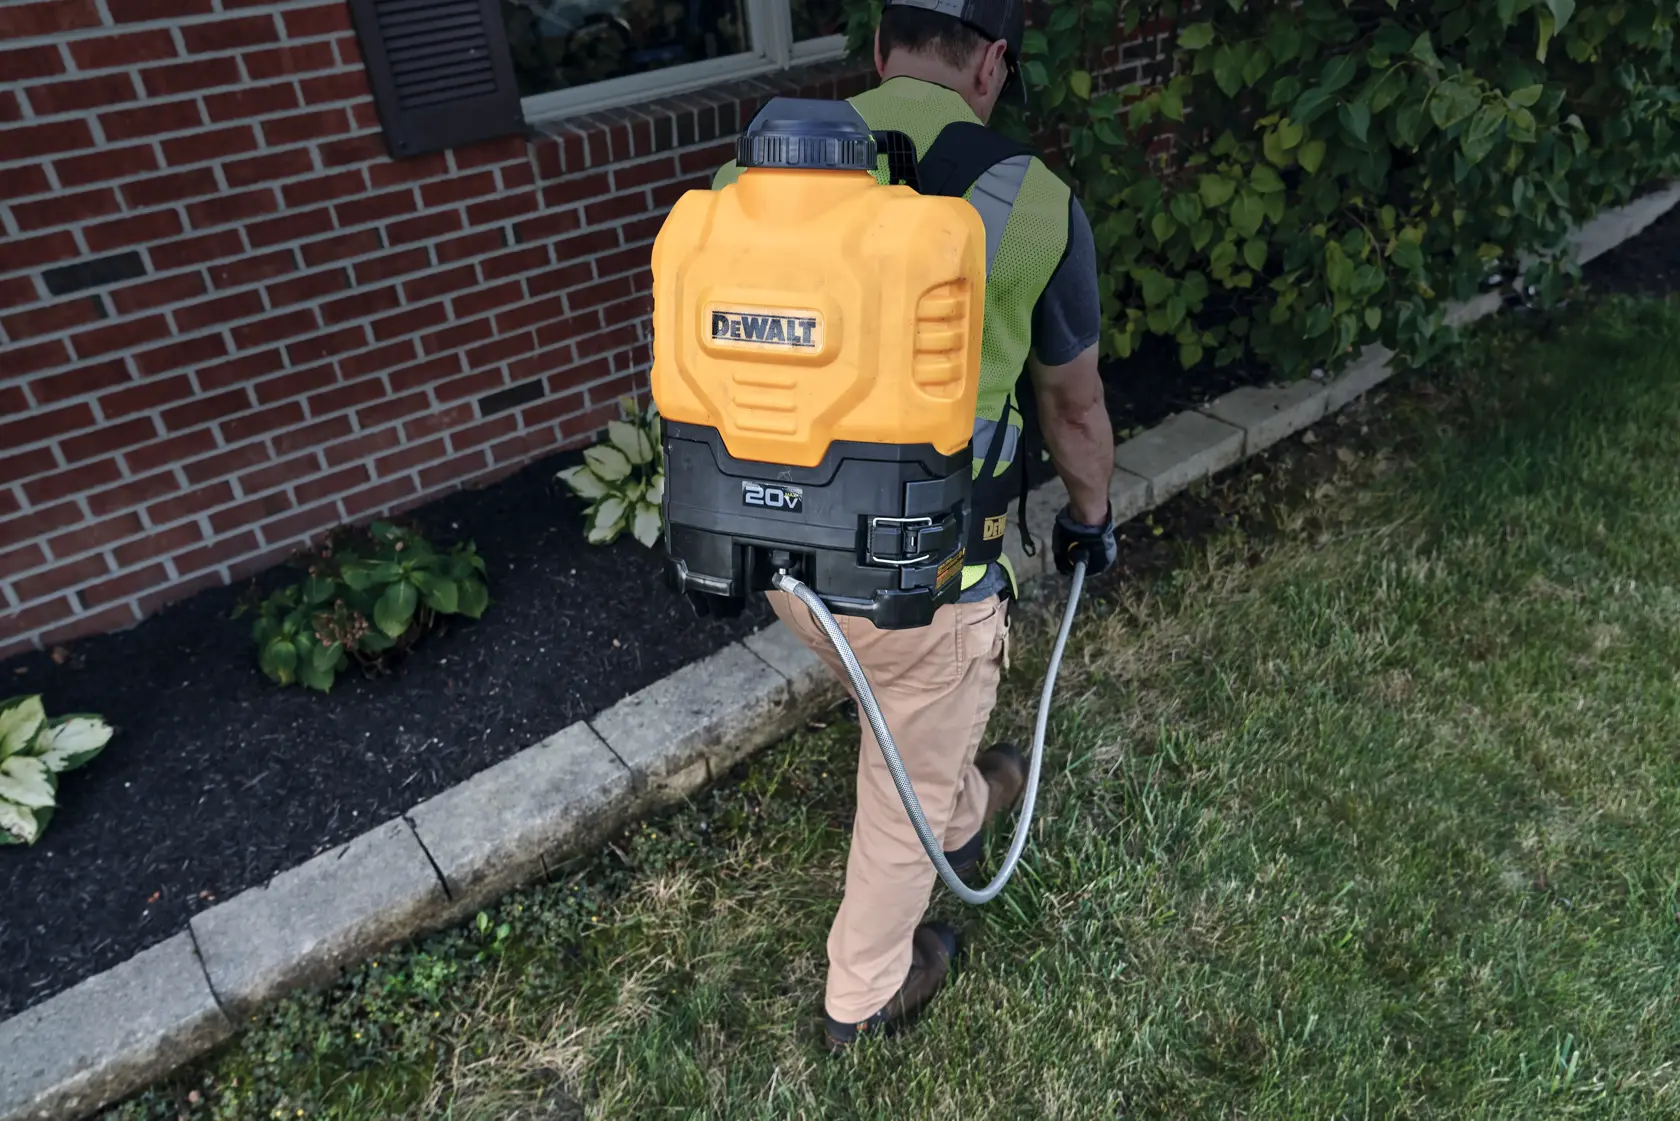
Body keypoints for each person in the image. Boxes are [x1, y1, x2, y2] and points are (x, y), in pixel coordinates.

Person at [710, 0, 1118, 1051]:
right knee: (898, 794)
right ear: (991, 64)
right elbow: (1074, 405)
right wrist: (1091, 517)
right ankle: (866, 996)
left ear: (882, 50)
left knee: (906, 727)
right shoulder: (1033, 202)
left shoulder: (749, 181)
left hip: (786, 564)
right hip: (928, 588)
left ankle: (968, 800)